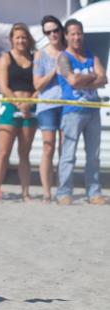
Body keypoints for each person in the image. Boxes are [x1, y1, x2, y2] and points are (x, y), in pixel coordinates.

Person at [55, 19, 107, 206]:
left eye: (79, 33)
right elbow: (72, 81)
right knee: (68, 154)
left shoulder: (91, 56)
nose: (77, 37)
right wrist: (92, 76)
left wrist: (85, 78)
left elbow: (104, 78)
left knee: (93, 155)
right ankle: (64, 192)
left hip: (92, 109)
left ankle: (93, 192)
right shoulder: (63, 57)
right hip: (72, 111)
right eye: (73, 34)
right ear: (66, 36)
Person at [0, 23, 37, 201]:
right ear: (12, 39)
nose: (21, 40)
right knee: (3, 153)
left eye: (24, 37)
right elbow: (3, 87)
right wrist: (19, 103)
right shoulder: (6, 58)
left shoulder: (34, 59)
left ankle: (25, 192)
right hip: (11, 106)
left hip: (30, 108)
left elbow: (39, 85)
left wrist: (30, 102)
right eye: (17, 37)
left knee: (24, 153)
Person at [33, 15, 66, 204]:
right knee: (48, 147)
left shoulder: (68, 51)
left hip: (68, 104)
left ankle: (62, 190)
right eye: (48, 32)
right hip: (47, 105)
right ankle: (46, 192)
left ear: (61, 30)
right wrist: (54, 71)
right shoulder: (41, 54)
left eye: (55, 30)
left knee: (65, 148)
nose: (52, 34)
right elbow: (37, 85)